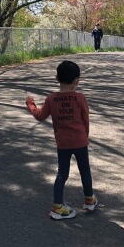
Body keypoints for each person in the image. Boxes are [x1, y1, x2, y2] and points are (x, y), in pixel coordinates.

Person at [26, 60, 98, 220]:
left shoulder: (51, 99)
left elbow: (39, 116)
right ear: (76, 80)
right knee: (85, 170)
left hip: (63, 143)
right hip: (79, 141)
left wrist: (30, 104)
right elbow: (85, 119)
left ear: (56, 78)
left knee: (62, 173)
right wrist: (85, 137)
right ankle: (89, 200)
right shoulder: (80, 98)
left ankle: (57, 206)